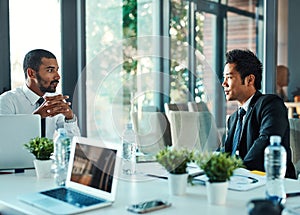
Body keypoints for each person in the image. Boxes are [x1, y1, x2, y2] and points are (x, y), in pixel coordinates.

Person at [221, 49, 296, 179]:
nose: (224, 84)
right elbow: (226, 153)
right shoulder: (233, 119)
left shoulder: (271, 104)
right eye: (224, 78)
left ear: (250, 80)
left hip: (271, 183)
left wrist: (237, 171)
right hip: (240, 182)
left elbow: (265, 141)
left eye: (229, 77)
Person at [0, 49, 80, 139]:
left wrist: (70, 118)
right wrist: (36, 118)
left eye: (57, 70)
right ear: (31, 73)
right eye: (50, 70)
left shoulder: (56, 101)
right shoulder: (7, 101)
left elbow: (72, 144)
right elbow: (4, 138)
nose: (57, 76)